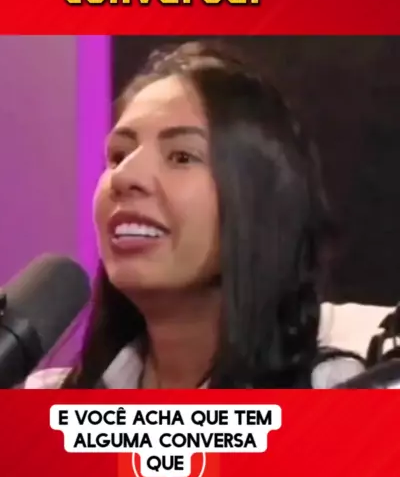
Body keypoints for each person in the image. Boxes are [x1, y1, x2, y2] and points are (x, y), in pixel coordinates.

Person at [26, 40, 362, 390]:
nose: (124, 177)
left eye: (181, 157)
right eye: (118, 155)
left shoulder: (342, 391)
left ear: (259, 202)